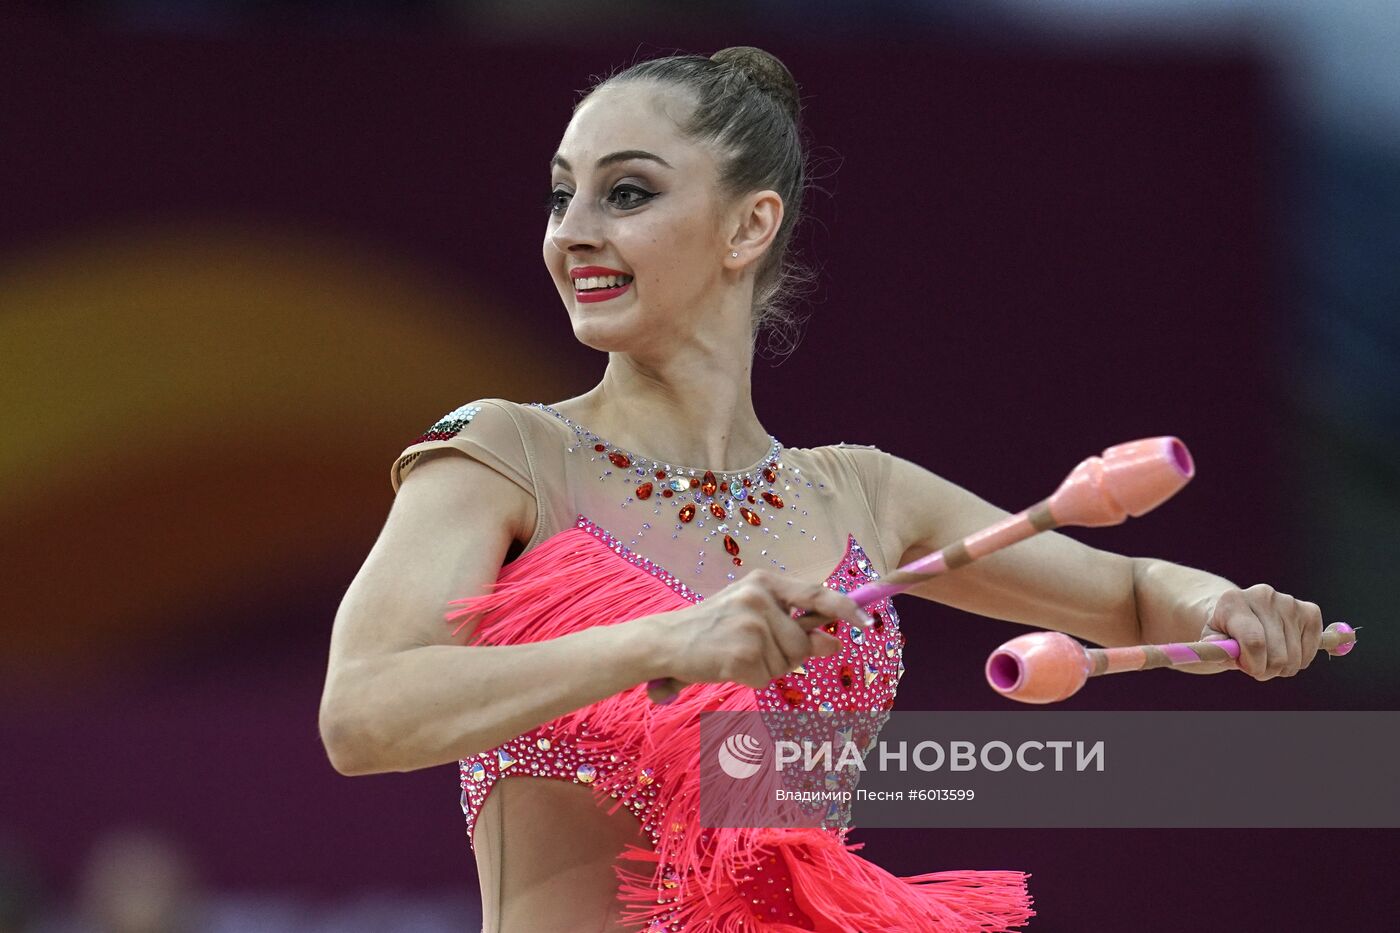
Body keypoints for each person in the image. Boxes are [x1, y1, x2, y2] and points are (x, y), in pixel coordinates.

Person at [318, 47, 1325, 933]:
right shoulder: (511, 454)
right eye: (559, 195)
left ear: (748, 226)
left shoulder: (861, 496)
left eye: (624, 194)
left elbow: (1132, 593)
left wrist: (1227, 611)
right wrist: (659, 641)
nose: (571, 231)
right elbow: (361, 716)